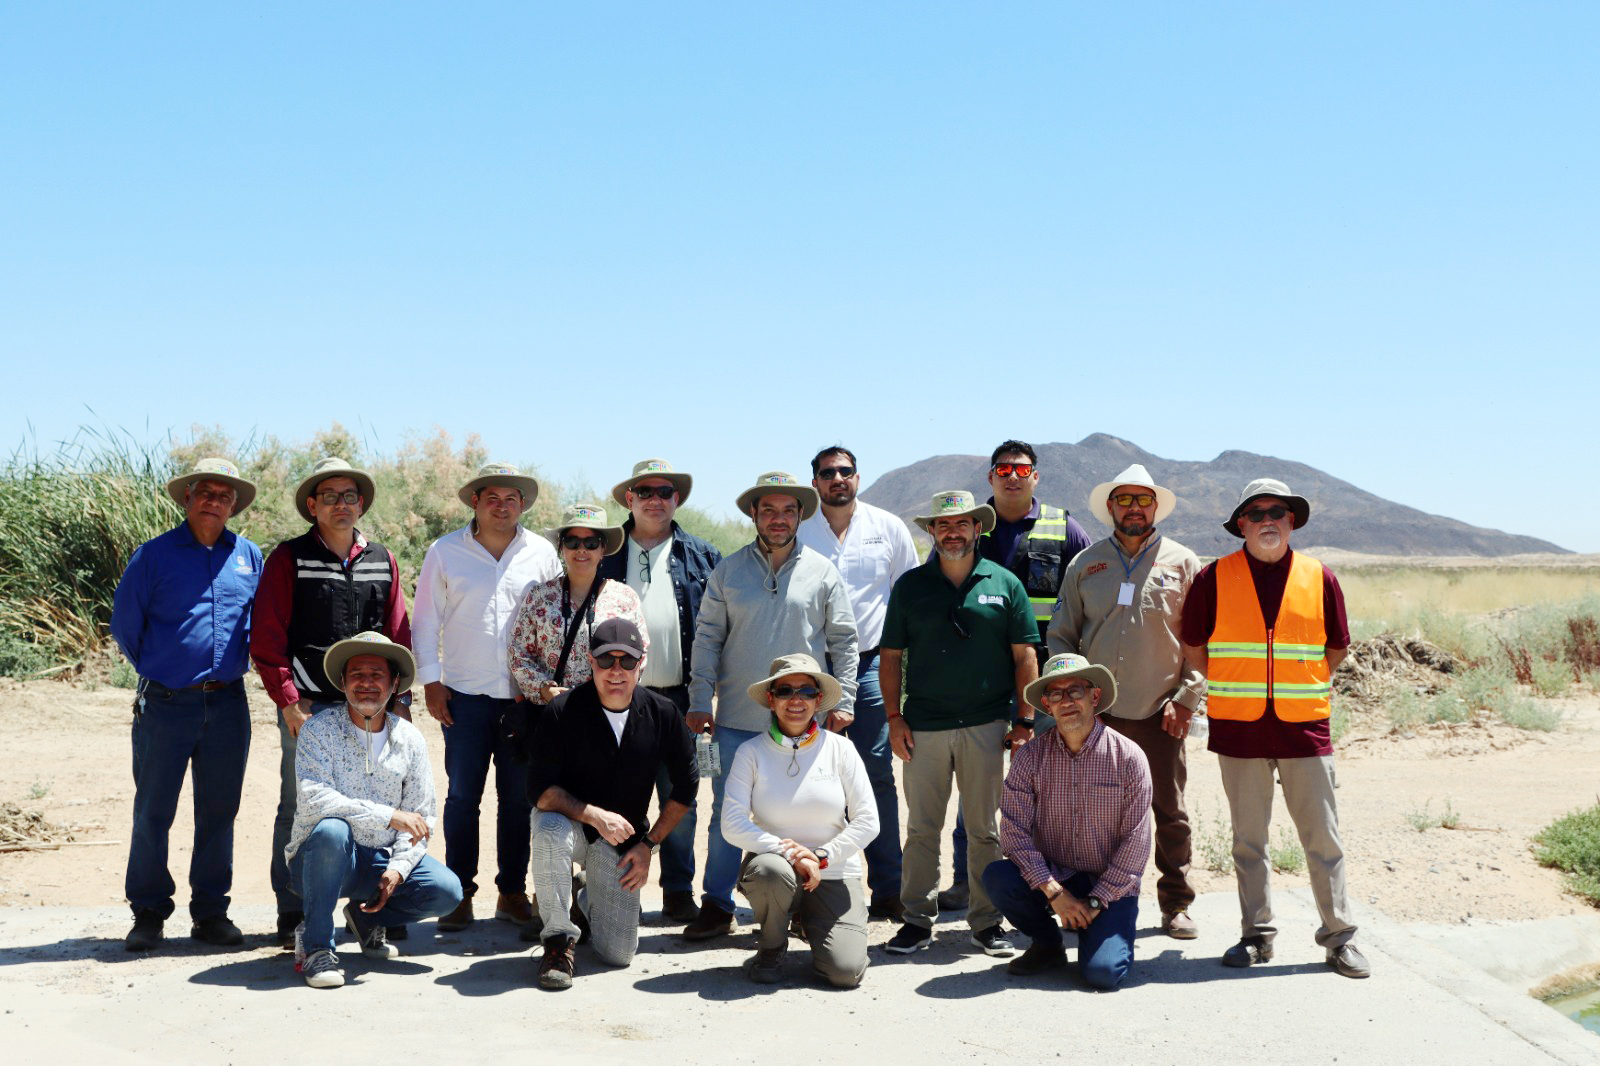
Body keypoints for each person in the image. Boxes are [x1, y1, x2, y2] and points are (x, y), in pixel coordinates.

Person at [1179, 478, 1370, 979]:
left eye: (1279, 512)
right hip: (1239, 728)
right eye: (1257, 512)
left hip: (1303, 728)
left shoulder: (1319, 577)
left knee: (1322, 839)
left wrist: (1303, 686)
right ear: (1240, 523)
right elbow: (1194, 646)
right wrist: (1226, 687)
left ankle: (1340, 938)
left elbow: (1336, 648)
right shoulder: (1213, 578)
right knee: (1248, 841)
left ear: (1292, 522)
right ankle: (1256, 935)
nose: (1269, 520)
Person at [683, 470, 858, 942]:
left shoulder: (822, 571)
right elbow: (707, 640)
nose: (778, 519)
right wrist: (701, 699)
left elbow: (843, 640)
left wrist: (845, 699)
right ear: (754, 515)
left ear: (801, 514)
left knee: (805, 811)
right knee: (727, 812)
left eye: (787, 510)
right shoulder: (728, 572)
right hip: (737, 721)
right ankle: (717, 904)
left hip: (805, 718)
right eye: (768, 510)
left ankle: (805, 903)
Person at [251, 455, 412, 947]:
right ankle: (294, 909)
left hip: (372, 706)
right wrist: (288, 700)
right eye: (330, 497)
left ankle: (373, 908)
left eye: (349, 496)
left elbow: (399, 631)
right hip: (312, 705)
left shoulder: (382, 559)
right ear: (312, 507)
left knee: (381, 801)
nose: (341, 505)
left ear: (360, 503)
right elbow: (268, 634)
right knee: (300, 805)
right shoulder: (288, 558)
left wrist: (400, 699)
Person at [1046, 463, 1205, 939]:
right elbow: (1061, 634)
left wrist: (1187, 696)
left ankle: (1175, 902)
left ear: (1155, 507)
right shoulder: (1086, 564)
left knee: (1168, 809)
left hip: (1160, 711)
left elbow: (1199, 640)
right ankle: (1091, 900)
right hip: (1097, 715)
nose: (1134, 508)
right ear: (1110, 507)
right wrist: (1067, 699)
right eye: (1125, 500)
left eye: (1143, 500)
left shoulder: (1183, 563)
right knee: (1089, 809)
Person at [110, 458, 263, 952]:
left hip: (228, 706)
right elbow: (126, 629)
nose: (214, 501)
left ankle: (211, 913)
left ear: (233, 505)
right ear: (187, 498)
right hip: (165, 705)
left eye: (224, 495)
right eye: (205, 492)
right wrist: (166, 670)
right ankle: (149, 912)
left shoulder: (248, 557)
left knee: (219, 813)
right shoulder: (152, 556)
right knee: (154, 811)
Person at [880, 490, 1039, 958]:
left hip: (986, 725)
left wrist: (1024, 719)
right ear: (932, 532)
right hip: (924, 726)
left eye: (962, 524)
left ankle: (987, 924)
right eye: (943, 525)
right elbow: (890, 658)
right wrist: (894, 718)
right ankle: (916, 922)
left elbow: (1025, 655)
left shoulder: (1005, 583)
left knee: (985, 829)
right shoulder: (911, 586)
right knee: (922, 829)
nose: (953, 532)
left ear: (978, 529)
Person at [943, 440, 1093, 911]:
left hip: (1049, 681)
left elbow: (1089, 595)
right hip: (982, 680)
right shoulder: (969, 528)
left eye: (1022, 468)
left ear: (1036, 476)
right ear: (990, 477)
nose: (1012, 475)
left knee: (1049, 787)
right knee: (977, 787)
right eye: (1003, 468)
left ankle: (1053, 885)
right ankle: (969, 883)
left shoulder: (1065, 529)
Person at [414, 462, 559, 934]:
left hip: (524, 700)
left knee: (518, 800)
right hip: (464, 697)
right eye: (492, 497)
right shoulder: (445, 552)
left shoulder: (542, 553)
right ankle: (459, 894)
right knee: (461, 798)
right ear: (474, 501)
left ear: (523, 504)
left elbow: (556, 622)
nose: (502, 506)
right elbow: (425, 620)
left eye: (512, 498)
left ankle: (511, 892)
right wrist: (431, 682)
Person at [525, 619, 697, 990]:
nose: (616, 671)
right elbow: (538, 791)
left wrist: (649, 846)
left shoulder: (663, 713)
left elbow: (687, 786)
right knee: (548, 829)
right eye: (606, 661)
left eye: (626, 661)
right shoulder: (562, 710)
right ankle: (557, 942)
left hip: (623, 842)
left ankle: (584, 895)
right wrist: (593, 814)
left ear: (641, 664)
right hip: (571, 827)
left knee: (617, 954)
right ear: (590, 661)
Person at [286, 632, 462, 989]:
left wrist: (397, 869)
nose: (366, 683)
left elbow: (420, 815)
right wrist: (386, 815)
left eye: (377, 674)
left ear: (394, 684)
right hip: (322, 860)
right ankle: (319, 947)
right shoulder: (318, 730)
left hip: (380, 859)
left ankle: (365, 920)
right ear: (342, 682)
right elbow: (313, 798)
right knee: (332, 830)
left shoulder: (409, 738)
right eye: (357, 674)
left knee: (446, 891)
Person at [597, 458, 723, 926]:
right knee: (614, 798)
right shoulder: (605, 551)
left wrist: (704, 698)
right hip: (615, 697)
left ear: (677, 499)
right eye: (644, 490)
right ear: (629, 498)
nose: (655, 498)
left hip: (679, 698)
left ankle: (677, 892)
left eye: (664, 491)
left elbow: (717, 632)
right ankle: (610, 891)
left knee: (680, 798)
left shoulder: (703, 556)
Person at [797, 445, 918, 920]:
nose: (837, 479)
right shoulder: (800, 531)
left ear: (857, 477)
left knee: (874, 775)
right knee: (804, 775)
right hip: (808, 668)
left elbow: (908, 596)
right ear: (816, 483)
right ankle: (804, 886)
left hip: (870, 666)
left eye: (845, 472)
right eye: (827, 473)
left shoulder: (887, 528)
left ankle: (888, 886)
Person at [982, 653, 1152, 989]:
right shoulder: (1030, 756)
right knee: (998, 877)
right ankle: (1048, 945)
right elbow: (1013, 831)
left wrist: (1094, 901)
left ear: (1095, 696)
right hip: (1055, 877)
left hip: (1111, 886)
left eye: (1075, 690)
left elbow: (1137, 844)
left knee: (1102, 974)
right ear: (1046, 704)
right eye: (1056, 694)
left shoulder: (1129, 757)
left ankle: (1097, 931)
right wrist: (1054, 892)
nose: (1067, 701)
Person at [723, 653, 879, 987]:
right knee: (770, 871)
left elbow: (868, 820)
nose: (796, 700)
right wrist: (793, 854)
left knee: (846, 972)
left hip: (834, 871)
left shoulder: (842, 749)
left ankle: (809, 920)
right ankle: (772, 946)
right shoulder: (750, 752)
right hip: (776, 870)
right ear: (771, 699)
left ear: (819, 699)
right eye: (785, 691)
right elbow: (731, 823)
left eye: (806, 691)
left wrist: (821, 856)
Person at [509, 501, 646, 706]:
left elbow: (640, 653)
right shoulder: (539, 596)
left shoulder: (625, 598)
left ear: (602, 549)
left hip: (604, 712)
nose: (581, 549)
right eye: (572, 542)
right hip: (552, 714)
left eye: (591, 543)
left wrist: (613, 691)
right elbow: (518, 653)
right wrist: (544, 690)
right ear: (561, 547)